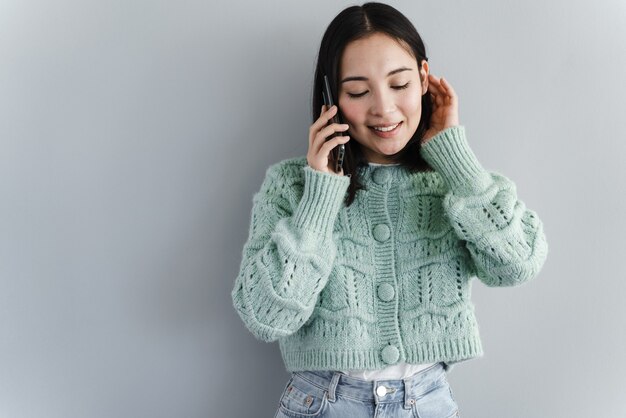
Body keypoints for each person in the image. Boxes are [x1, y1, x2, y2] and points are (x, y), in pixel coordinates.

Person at [231, 3, 548, 417]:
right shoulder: (293, 185)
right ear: (331, 98)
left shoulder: (453, 182)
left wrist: (456, 159)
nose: (383, 108)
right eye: (359, 92)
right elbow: (264, 315)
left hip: (427, 401)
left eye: (399, 84)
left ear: (423, 78)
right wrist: (321, 196)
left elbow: (518, 263)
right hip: (323, 402)